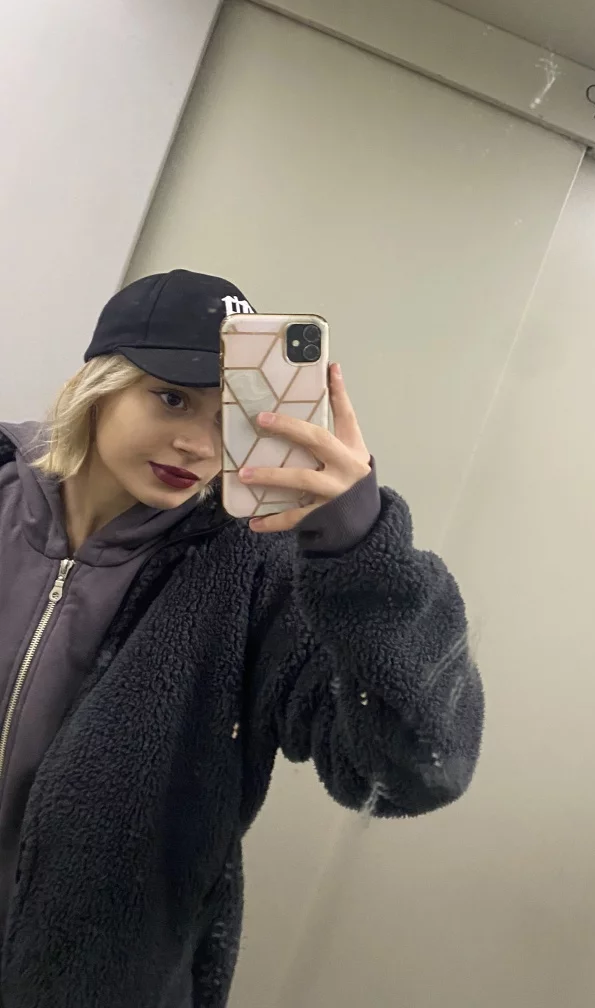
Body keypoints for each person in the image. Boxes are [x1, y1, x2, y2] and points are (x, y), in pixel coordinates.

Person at [0, 269, 483, 1008]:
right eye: (172, 398)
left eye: (234, 417)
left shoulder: (256, 572)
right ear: (98, 384)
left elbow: (415, 768)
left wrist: (359, 549)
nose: (199, 444)